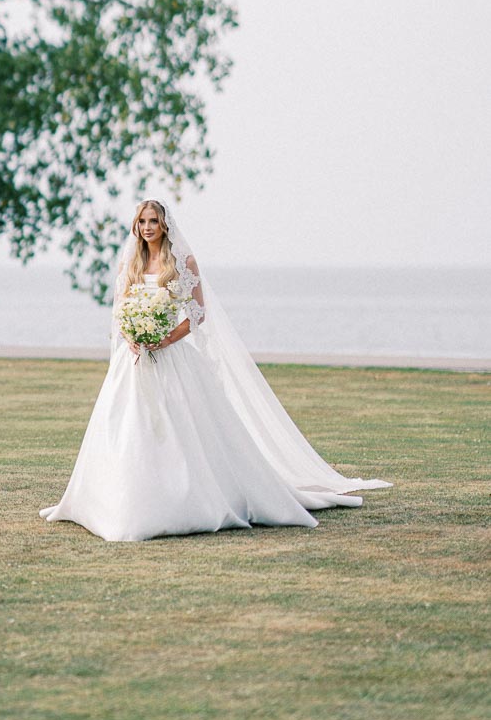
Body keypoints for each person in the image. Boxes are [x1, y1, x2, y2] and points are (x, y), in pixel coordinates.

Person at [40, 197, 391, 542]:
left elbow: (197, 314)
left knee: (183, 428)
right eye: (142, 222)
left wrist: (162, 339)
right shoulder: (130, 262)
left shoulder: (182, 261)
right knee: (126, 427)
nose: (147, 228)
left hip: (171, 355)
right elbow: (120, 309)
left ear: (164, 224)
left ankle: (188, 499)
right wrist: (132, 336)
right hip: (132, 362)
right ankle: (114, 500)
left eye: (153, 221)